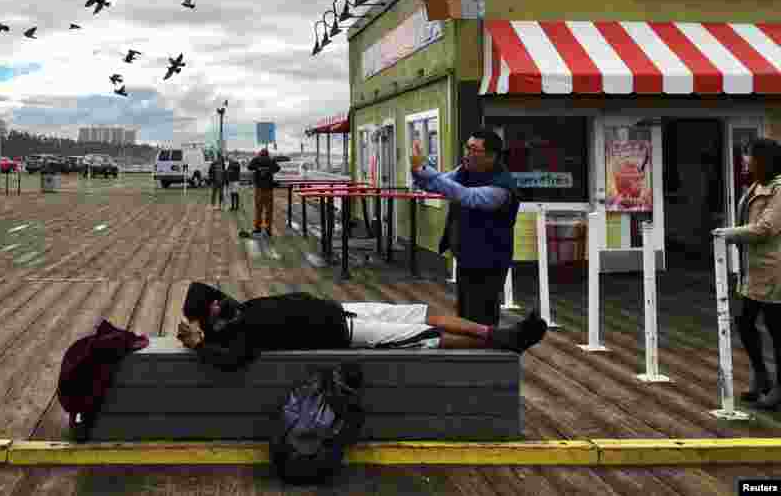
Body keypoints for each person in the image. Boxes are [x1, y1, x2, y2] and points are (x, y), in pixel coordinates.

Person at [176, 281, 547, 371]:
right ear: (207, 320)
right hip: (350, 334)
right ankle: (505, 343)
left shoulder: (235, 312)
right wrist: (199, 344)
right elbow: (231, 360)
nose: (219, 301)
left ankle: (496, 333)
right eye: (211, 305)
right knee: (427, 336)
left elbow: (224, 308)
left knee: (424, 314)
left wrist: (214, 316)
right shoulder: (238, 334)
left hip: (343, 310)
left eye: (215, 297)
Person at [410, 129, 520, 327]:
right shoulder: (464, 171)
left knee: (482, 316)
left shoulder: (502, 187)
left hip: (489, 261)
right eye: (466, 148)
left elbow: (467, 196)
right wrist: (417, 169)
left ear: (491, 156)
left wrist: (425, 168)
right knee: (465, 314)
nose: (467, 153)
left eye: (473, 149)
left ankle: (485, 353)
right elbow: (435, 184)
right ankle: (469, 354)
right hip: (466, 255)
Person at [713, 137, 781, 409]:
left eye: (749, 155)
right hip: (752, 270)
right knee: (744, 322)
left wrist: (728, 234)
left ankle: (779, 386)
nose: (745, 160)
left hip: (774, 271)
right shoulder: (755, 186)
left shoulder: (779, 189)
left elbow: (766, 228)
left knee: (777, 330)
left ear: (763, 159)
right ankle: (761, 375)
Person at [248, 147, 281, 237]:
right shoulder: (270, 160)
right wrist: (269, 170)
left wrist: (258, 169)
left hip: (259, 188)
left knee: (258, 209)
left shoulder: (256, 159)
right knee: (269, 210)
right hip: (269, 189)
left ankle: (257, 228)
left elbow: (249, 167)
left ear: (260, 153)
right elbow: (278, 168)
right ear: (267, 154)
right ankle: (268, 229)